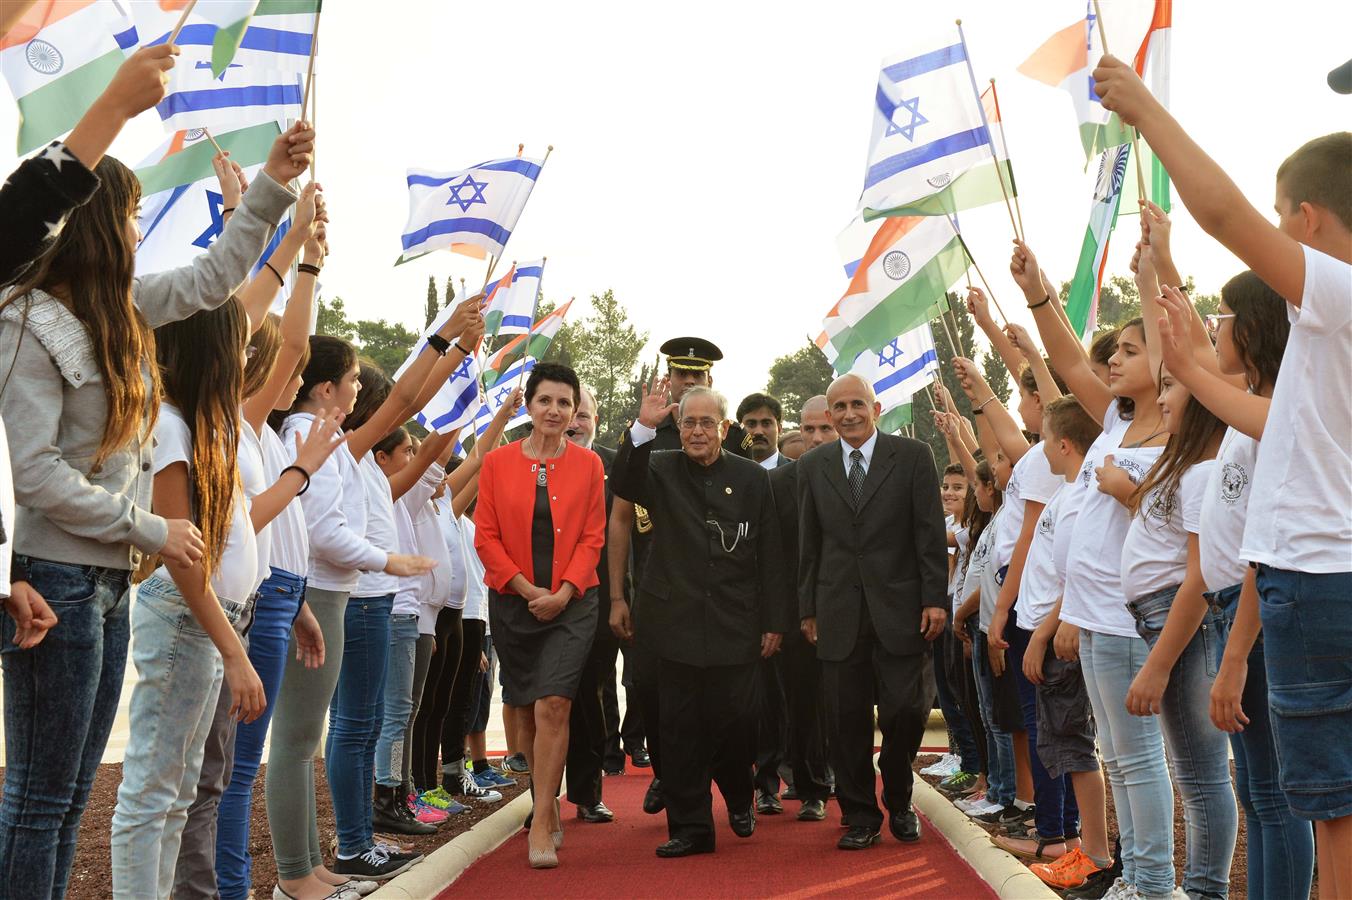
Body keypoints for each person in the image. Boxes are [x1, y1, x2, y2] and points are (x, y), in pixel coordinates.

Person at [0, 118, 311, 899]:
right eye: (133, 214)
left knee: (69, 800)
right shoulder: (26, 319)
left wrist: (272, 185)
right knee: (40, 802)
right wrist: (151, 530)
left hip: (106, 583)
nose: (141, 229)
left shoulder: (127, 308)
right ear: (101, 223)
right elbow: (36, 476)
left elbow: (215, 282)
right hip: (57, 581)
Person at [1097, 55, 1352, 895]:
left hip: (1319, 582)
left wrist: (1146, 115)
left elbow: (1222, 211)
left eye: (1284, 218)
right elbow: (1248, 407)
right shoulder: (1327, 336)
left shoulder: (1340, 291)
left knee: (1325, 809)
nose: (1275, 230)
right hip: (1311, 580)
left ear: (1308, 221)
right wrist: (1176, 324)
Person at [1013, 238, 1176, 900]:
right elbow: (1069, 359)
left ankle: (1154, 881)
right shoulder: (1114, 425)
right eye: (1111, 352)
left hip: (1135, 613)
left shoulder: (1169, 419)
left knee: (1141, 762)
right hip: (1098, 615)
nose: (1110, 360)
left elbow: (1167, 349)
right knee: (1121, 758)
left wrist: (1149, 274)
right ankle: (1132, 874)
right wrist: (1035, 292)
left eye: (1128, 351)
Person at [611, 380, 790, 857]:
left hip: (737, 624)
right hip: (672, 624)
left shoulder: (752, 478)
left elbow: (771, 552)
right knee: (679, 730)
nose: (695, 432)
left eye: (705, 423)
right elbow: (622, 482)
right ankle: (691, 828)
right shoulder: (659, 467)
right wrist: (644, 426)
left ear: (723, 428)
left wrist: (774, 620)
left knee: (737, 722)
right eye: (687, 422)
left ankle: (737, 793)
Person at [797, 374, 948, 850]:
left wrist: (933, 599)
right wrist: (808, 609)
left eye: (856, 404)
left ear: (876, 408)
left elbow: (928, 534)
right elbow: (809, 543)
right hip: (837, 611)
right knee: (845, 721)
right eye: (838, 407)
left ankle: (899, 795)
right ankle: (861, 814)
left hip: (902, 610)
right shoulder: (814, 465)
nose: (847, 415)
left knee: (907, 710)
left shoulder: (913, 457)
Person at [607, 336, 750, 816]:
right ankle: (671, 781)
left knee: (725, 709)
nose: (688, 384)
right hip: (657, 595)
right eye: (680, 376)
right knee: (650, 695)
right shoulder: (649, 440)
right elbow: (621, 515)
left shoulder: (731, 442)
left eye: (698, 377)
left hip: (722, 601)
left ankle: (733, 787)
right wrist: (618, 595)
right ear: (667, 380)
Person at [473, 362, 606, 869]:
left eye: (564, 403)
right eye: (545, 400)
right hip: (514, 601)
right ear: (528, 406)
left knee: (555, 704)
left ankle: (544, 818)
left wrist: (564, 591)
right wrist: (529, 589)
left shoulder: (590, 466)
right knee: (526, 707)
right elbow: (485, 535)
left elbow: (593, 536)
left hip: (574, 603)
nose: (555, 411)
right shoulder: (497, 462)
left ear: (575, 412)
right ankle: (542, 795)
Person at [1005, 397, 1112, 892]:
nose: (1039, 447)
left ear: (1064, 444)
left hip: (1056, 635)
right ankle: (1085, 848)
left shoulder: (1078, 498)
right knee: (1063, 745)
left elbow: (1075, 574)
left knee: (1075, 746)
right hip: (1044, 628)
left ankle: (1094, 853)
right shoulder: (1066, 493)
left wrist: (1044, 633)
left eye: (1045, 438)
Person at [766, 395, 836, 822]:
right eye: (807, 429)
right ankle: (811, 788)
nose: (815, 438)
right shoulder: (777, 484)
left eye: (823, 429)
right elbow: (771, 559)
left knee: (845, 704)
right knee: (802, 703)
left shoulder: (858, 476)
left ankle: (843, 776)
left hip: (851, 611)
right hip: (796, 616)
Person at [563, 387, 621, 824]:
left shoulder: (614, 466)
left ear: (595, 419)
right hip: (535, 600)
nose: (574, 422)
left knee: (589, 697)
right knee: (539, 704)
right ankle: (541, 799)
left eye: (582, 414)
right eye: (568, 412)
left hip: (596, 600)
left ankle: (586, 792)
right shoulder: (526, 462)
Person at [735, 391, 793, 815]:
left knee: (774, 701)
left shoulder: (796, 476)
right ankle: (738, 784)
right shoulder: (725, 473)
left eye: (765, 423)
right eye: (749, 424)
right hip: (730, 608)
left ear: (778, 426)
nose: (757, 431)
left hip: (779, 608)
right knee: (736, 703)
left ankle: (768, 783)